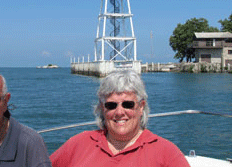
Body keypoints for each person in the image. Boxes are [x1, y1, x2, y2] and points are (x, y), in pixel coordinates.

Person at [50, 70, 190, 167]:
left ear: (141, 107)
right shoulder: (78, 143)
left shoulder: (166, 153)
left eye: (128, 104)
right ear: (102, 108)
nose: (119, 112)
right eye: (111, 105)